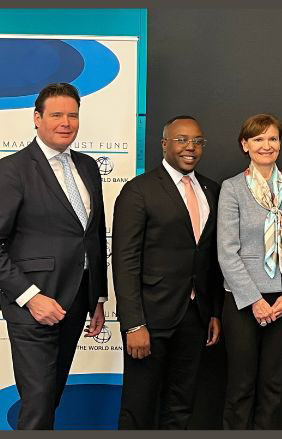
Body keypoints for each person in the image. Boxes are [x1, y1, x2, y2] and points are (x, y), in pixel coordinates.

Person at [0, 82, 107, 429]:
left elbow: (93, 235)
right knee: (38, 405)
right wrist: (31, 298)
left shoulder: (89, 167)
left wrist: (98, 298)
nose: (66, 122)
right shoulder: (12, 170)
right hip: (34, 305)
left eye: (73, 115)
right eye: (57, 114)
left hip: (76, 302)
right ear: (36, 118)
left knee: (51, 398)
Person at [113, 115, 222, 429]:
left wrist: (212, 311)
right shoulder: (139, 191)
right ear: (164, 144)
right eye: (182, 139)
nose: (191, 147)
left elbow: (209, 258)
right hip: (150, 317)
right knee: (139, 405)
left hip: (195, 316)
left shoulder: (211, 190)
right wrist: (134, 324)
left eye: (197, 141)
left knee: (181, 404)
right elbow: (125, 261)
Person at [217, 113, 282, 429]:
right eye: (258, 139)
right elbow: (227, 252)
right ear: (245, 144)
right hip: (243, 302)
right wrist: (254, 300)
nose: (266, 145)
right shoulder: (232, 188)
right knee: (241, 387)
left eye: (272, 138)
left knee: (273, 386)